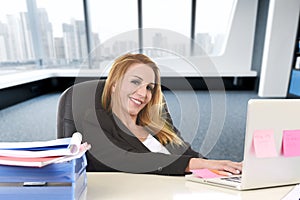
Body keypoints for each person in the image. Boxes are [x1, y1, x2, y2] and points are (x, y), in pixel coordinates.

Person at [83, 53, 242, 176]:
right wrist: (196, 164)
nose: (143, 93)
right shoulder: (95, 119)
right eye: (135, 82)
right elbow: (125, 160)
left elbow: (187, 153)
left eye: (149, 88)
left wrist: (223, 170)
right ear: (114, 85)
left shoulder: (155, 122)